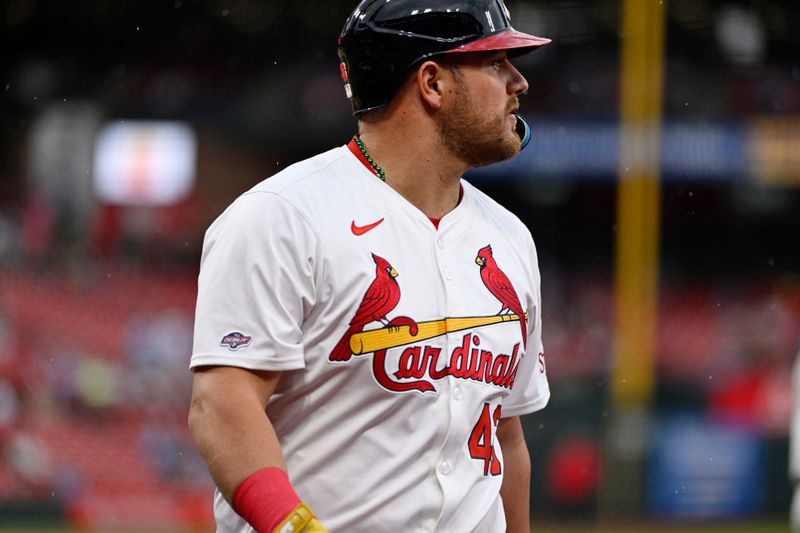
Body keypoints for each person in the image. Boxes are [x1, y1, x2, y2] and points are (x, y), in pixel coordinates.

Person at [188, 1, 551, 531]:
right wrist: (290, 524)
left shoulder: (511, 238)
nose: (518, 82)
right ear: (433, 83)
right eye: (495, 62)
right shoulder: (285, 216)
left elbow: (505, 438)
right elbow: (222, 403)